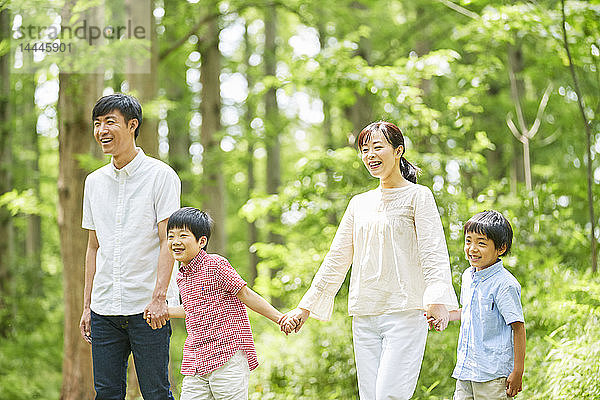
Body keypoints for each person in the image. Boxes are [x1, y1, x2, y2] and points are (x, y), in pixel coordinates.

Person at [280, 121, 458, 400]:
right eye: (364, 149)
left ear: (398, 151)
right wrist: (305, 307)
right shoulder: (358, 203)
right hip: (364, 314)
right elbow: (336, 258)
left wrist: (437, 300)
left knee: (390, 395)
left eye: (377, 147)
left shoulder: (418, 196)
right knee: (370, 397)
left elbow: (433, 250)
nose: (370, 155)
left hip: (405, 312)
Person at [79, 93, 181, 399]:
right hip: (104, 307)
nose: (101, 131)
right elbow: (93, 247)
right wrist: (87, 307)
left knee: (156, 393)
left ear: (132, 125)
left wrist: (160, 298)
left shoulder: (161, 176)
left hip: (148, 309)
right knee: (106, 394)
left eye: (110, 122)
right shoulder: (93, 182)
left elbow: (169, 240)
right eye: (97, 123)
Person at [163, 207, 287, 400]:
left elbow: (245, 294)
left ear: (201, 241)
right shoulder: (181, 275)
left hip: (227, 355)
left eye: (183, 235)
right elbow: (193, 309)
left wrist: (280, 318)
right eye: (171, 236)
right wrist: (166, 311)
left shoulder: (215, 264)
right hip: (197, 358)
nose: (175, 242)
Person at [431, 210, 525, 399]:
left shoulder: (504, 284)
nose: (472, 248)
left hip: (493, 375)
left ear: (501, 248)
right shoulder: (468, 276)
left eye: (481, 243)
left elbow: (518, 327)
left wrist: (518, 371)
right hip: (466, 370)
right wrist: (445, 316)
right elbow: (468, 311)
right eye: (468, 241)